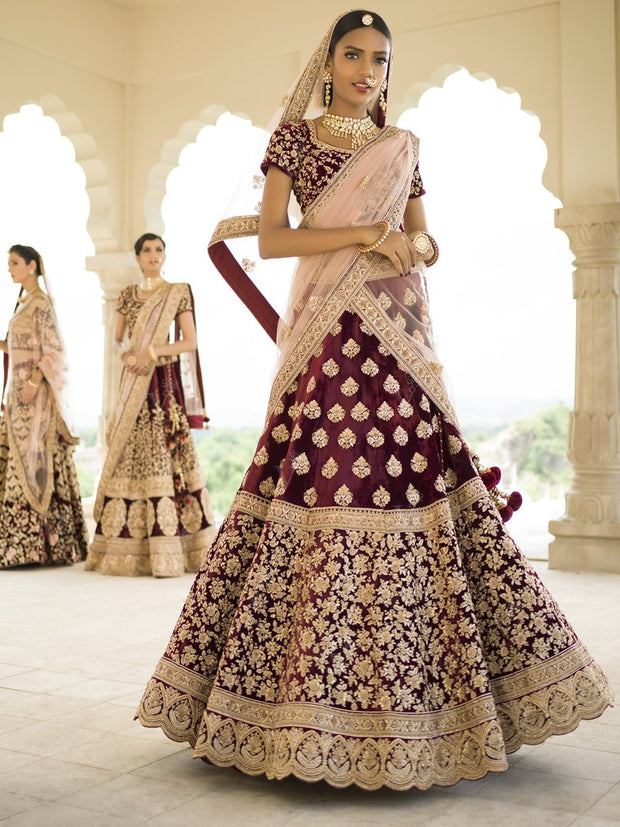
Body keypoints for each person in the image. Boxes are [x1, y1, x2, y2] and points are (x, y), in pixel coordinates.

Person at [136, 11, 613, 790]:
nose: (367, 68)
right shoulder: (296, 139)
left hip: (397, 342)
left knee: (411, 482)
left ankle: (432, 705)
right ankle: (293, 708)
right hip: (328, 341)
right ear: (327, 64)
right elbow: (273, 239)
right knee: (325, 479)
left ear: (391, 69)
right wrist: (362, 235)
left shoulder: (401, 147)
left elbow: (428, 241)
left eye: (380, 59)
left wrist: (403, 244)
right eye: (352, 55)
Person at [86, 233, 216, 577]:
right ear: (137, 256)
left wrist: (152, 352)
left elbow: (190, 341)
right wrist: (129, 356)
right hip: (133, 383)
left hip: (163, 387)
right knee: (130, 455)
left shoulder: (177, 292)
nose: (154, 255)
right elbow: (116, 341)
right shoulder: (128, 295)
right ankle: (125, 547)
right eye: (147, 250)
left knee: (165, 455)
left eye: (159, 250)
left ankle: (176, 547)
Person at [0, 245, 88, 567]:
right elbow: (18, 348)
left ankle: (46, 546)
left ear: (32, 266)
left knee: (38, 459)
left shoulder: (41, 304)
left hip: (35, 396)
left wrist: (35, 381)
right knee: (19, 463)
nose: (9, 268)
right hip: (17, 397)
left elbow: (55, 350)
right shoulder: (23, 304)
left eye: (14, 263)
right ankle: (21, 547)